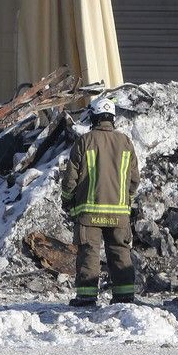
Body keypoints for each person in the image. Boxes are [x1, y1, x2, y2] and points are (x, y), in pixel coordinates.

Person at [61, 96, 140, 306]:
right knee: (120, 253)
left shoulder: (84, 141)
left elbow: (71, 178)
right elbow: (134, 179)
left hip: (89, 214)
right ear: (112, 118)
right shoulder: (125, 142)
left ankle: (86, 297)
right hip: (119, 214)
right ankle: (124, 297)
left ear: (94, 117)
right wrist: (127, 202)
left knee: (89, 254)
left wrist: (67, 200)